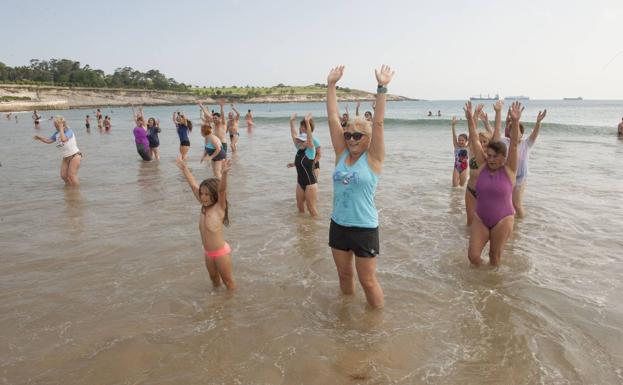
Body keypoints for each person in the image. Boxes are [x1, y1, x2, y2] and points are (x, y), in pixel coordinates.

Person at [326, 64, 394, 309]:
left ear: (367, 140)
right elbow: (334, 119)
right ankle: (346, 319)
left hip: (364, 228)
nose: (351, 139)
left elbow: (378, 124)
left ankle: (375, 328)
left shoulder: (373, 158)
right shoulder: (341, 155)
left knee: (367, 280)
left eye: (357, 136)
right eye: (348, 135)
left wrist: (382, 87)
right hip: (339, 225)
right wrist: (331, 86)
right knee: (344, 277)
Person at [464, 101, 522, 267]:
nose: (490, 159)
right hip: (480, 218)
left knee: (494, 257)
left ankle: (493, 289)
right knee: (473, 256)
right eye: (488, 155)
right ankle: (482, 279)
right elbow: (474, 138)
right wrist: (470, 119)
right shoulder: (482, 166)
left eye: (495, 156)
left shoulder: (509, 169)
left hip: (503, 219)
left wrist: (515, 121)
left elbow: (514, 145)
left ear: (503, 158)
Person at [176, 155, 235, 290]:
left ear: (214, 195)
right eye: (202, 194)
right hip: (208, 253)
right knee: (214, 279)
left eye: (207, 194)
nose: (203, 197)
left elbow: (222, 190)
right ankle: (217, 302)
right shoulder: (204, 206)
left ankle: (232, 305)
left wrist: (224, 174)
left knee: (228, 282)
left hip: (220, 253)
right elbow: (193, 184)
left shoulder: (219, 208)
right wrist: (185, 169)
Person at [493, 108, 546, 218]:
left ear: (522, 134)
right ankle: (510, 222)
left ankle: (521, 225)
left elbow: (534, 134)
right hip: (507, 177)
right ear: (509, 133)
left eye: (518, 131)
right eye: (512, 131)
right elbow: (495, 134)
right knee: (506, 203)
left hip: (520, 178)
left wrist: (538, 122)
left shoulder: (526, 144)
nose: (515, 133)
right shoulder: (504, 142)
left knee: (516, 204)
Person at [465, 101, 501, 226]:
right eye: (480, 141)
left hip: (485, 194)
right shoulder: (472, 150)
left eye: (485, 141)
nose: (481, 143)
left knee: (485, 223)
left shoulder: (490, 157)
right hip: (470, 190)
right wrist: (473, 115)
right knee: (470, 222)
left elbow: (496, 134)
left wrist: (498, 113)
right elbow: (472, 132)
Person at [33, 115, 82, 186]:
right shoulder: (57, 134)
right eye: (55, 125)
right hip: (65, 158)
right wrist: (40, 138)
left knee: (71, 175)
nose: (55, 127)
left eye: (56, 125)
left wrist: (61, 129)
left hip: (75, 155)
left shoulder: (69, 131)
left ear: (62, 124)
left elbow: (64, 139)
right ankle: (70, 191)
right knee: (63, 176)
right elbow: (49, 141)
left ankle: (76, 192)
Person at [287, 113, 318, 217]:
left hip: (310, 184)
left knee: (311, 209)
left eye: (302, 141)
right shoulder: (298, 148)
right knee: (300, 207)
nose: (300, 142)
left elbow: (310, 138)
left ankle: (315, 231)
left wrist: (308, 123)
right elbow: (294, 134)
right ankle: (303, 227)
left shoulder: (311, 150)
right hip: (300, 183)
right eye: (299, 140)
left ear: (307, 142)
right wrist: (291, 122)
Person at [451, 116, 469, 187]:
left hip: (465, 168)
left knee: (461, 186)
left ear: (466, 141)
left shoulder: (468, 147)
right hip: (456, 168)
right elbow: (454, 136)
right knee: (455, 186)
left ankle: (460, 197)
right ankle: (454, 197)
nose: (460, 141)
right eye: (459, 140)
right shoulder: (456, 146)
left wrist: (470, 121)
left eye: (462, 140)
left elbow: (472, 133)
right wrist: (453, 126)